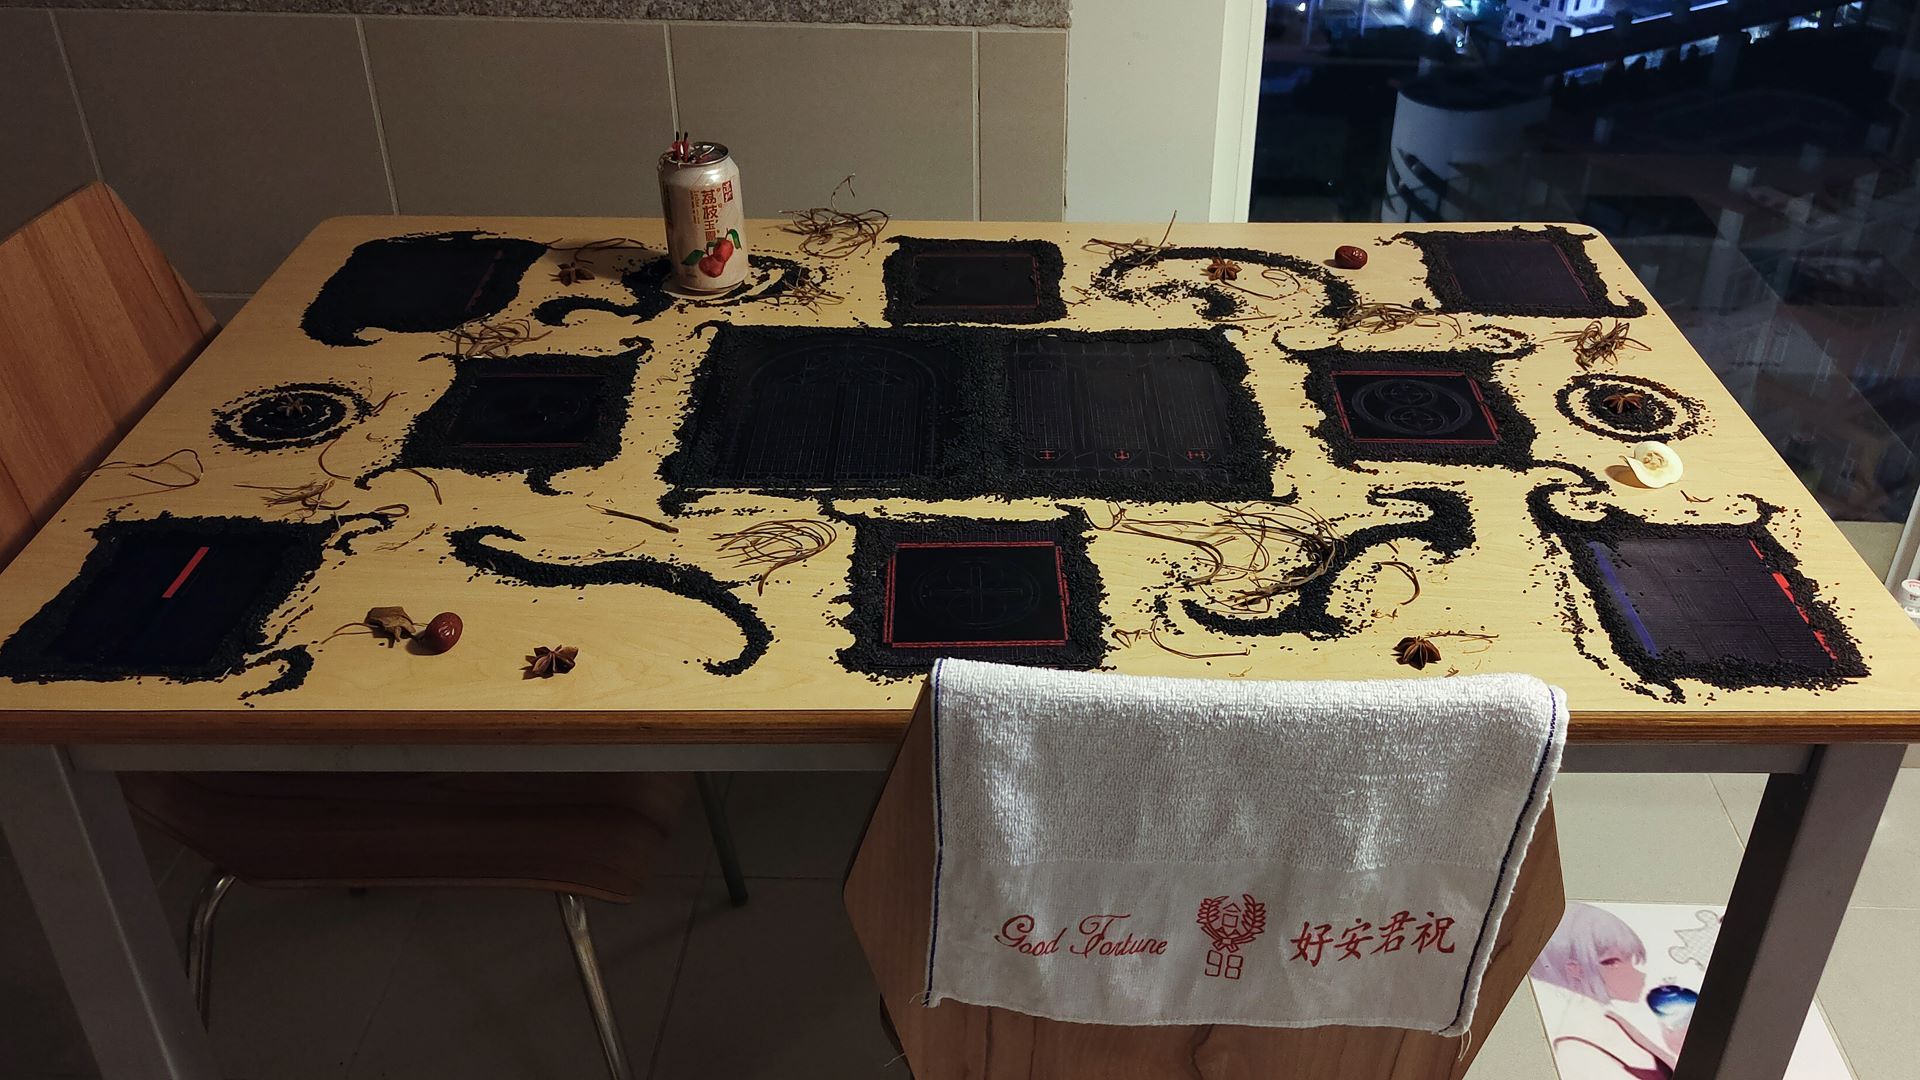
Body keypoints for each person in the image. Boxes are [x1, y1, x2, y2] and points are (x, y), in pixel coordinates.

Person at [1530, 902, 1684, 1079]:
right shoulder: (1574, 1049)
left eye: (1631, 959)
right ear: (1575, 969)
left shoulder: (1612, 1019)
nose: (1637, 973)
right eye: (1613, 962)